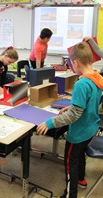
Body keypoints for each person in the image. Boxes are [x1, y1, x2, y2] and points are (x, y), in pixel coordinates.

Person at [37, 42, 103, 198]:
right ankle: (81, 180)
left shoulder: (81, 83)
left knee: (70, 164)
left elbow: (74, 116)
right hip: (90, 128)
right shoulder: (97, 77)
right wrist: (73, 106)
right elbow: (90, 103)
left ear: (75, 63)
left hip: (78, 132)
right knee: (79, 156)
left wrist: (49, 123)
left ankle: (70, 194)